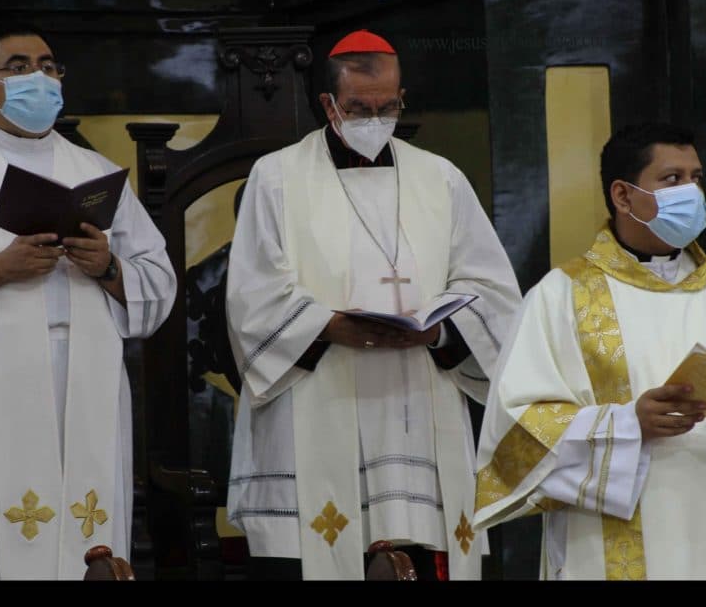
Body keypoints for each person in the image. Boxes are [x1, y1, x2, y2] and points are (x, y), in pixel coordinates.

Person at [472, 123, 706, 580]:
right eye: (671, 179)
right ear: (623, 197)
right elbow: (514, 429)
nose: (691, 191)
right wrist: (628, 425)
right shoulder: (563, 294)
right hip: (608, 538)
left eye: (695, 177)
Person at [224, 30, 522, 580]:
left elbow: (493, 290)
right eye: (360, 108)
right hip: (316, 396)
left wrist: (437, 332)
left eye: (388, 107)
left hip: (418, 394)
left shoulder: (441, 178)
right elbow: (253, 295)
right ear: (328, 105)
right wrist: (330, 325)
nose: (375, 119)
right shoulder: (278, 177)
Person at [0, 25, 176, 579]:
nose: (37, 78)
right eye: (17, 67)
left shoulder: (97, 175)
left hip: (86, 383)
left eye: (47, 65)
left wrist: (108, 267)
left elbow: (159, 283)